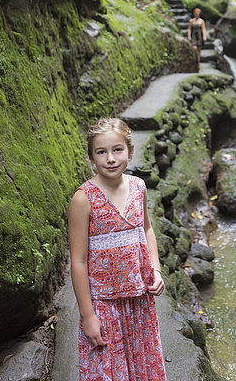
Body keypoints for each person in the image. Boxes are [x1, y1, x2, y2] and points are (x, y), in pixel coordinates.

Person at [68, 117, 167, 381]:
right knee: (108, 371)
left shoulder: (138, 187)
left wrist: (155, 270)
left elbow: (146, 229)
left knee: (142, 368)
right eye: (101, 152)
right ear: (91, 157)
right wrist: (88, 316)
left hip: (139, 301)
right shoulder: (83, 199)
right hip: (104, 305)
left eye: (117, 150)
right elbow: (78, 261)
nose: (110, 158)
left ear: (130, 152)